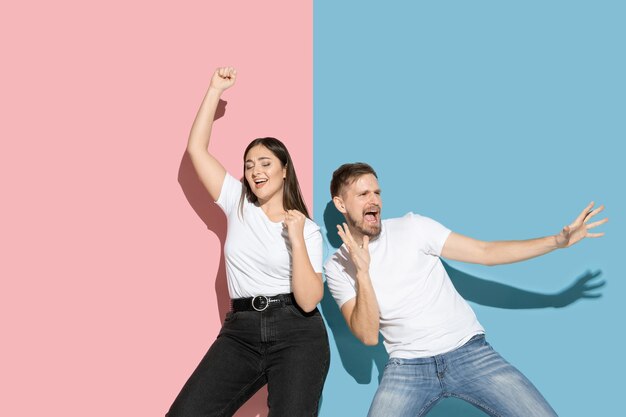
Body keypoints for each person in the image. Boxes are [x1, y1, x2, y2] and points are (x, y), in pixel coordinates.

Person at [324, 162, 607, 417]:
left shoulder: (413, 228)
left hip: (469, 353)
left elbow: (485, 252)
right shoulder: (337, 267)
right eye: (363, 195)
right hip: (406, 369)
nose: (374, 200)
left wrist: (556, 241)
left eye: (377, 192)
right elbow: (368, 334)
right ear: (341, 204)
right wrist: (362, 271)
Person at [166, 67, 330, 417]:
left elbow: (309, 299)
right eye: (249, 164)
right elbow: (196, 149)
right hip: (240, 331)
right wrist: (213, 90)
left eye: (265, 163)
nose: (256, 171)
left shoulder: (308, 230)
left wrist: (297, 240)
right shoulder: (238, 202)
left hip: (297, 333)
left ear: (285, 169)